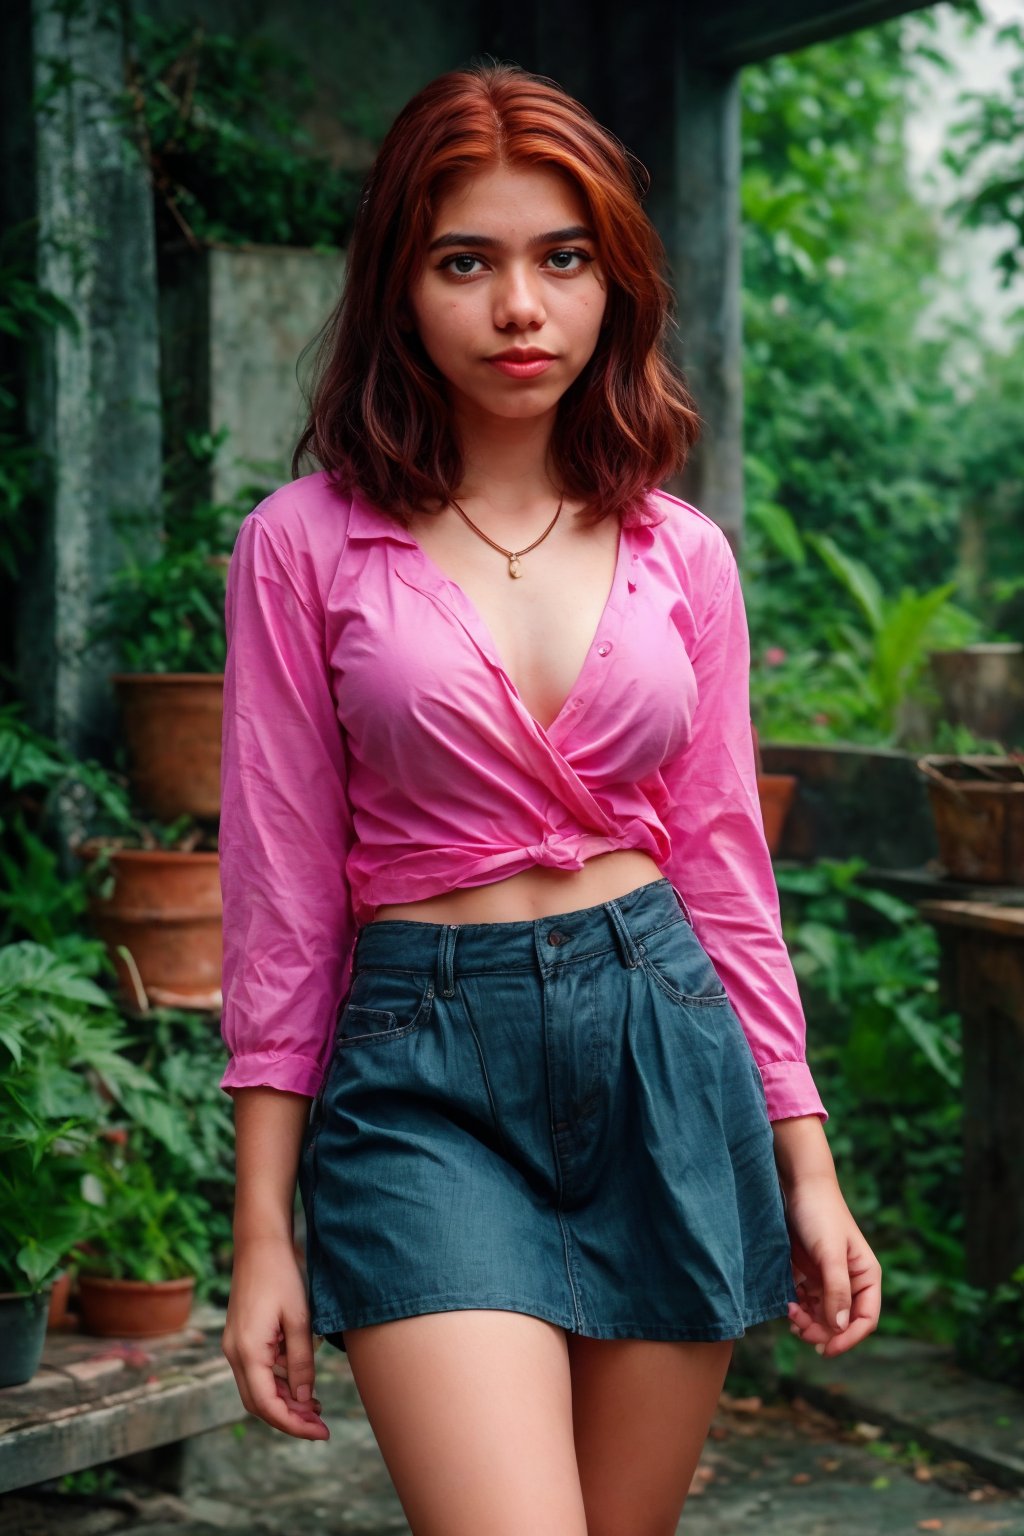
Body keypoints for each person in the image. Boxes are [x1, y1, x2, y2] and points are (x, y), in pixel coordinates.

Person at [218, 59, 882, 1536]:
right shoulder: (302, 546)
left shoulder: (683, 554)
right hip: (422, 1081)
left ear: (611, 283)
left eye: (561, 259)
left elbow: (723, 877)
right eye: (469, 261)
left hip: (662, 1048)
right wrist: (262, 1230)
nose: (521, 307)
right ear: (402, 285)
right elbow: (278, 893)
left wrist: (809, 1165)